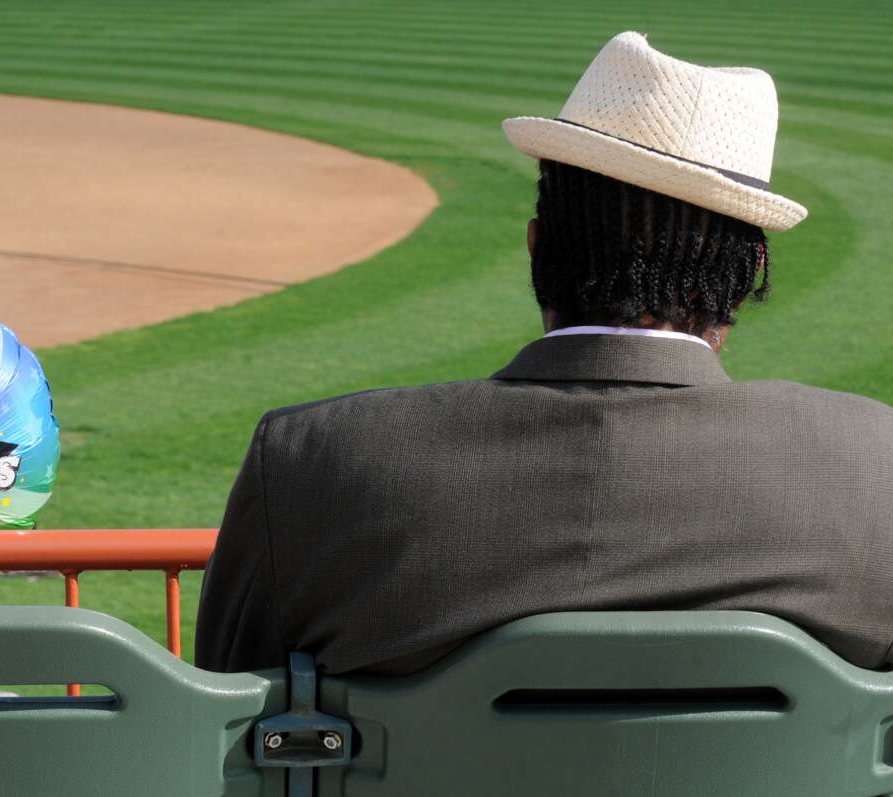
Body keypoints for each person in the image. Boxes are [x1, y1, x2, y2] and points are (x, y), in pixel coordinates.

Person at [195, 32, 893, 675]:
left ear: (537, 248)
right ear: (740, 285)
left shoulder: (309, 460)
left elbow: (229, 733)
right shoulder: (875, 468)